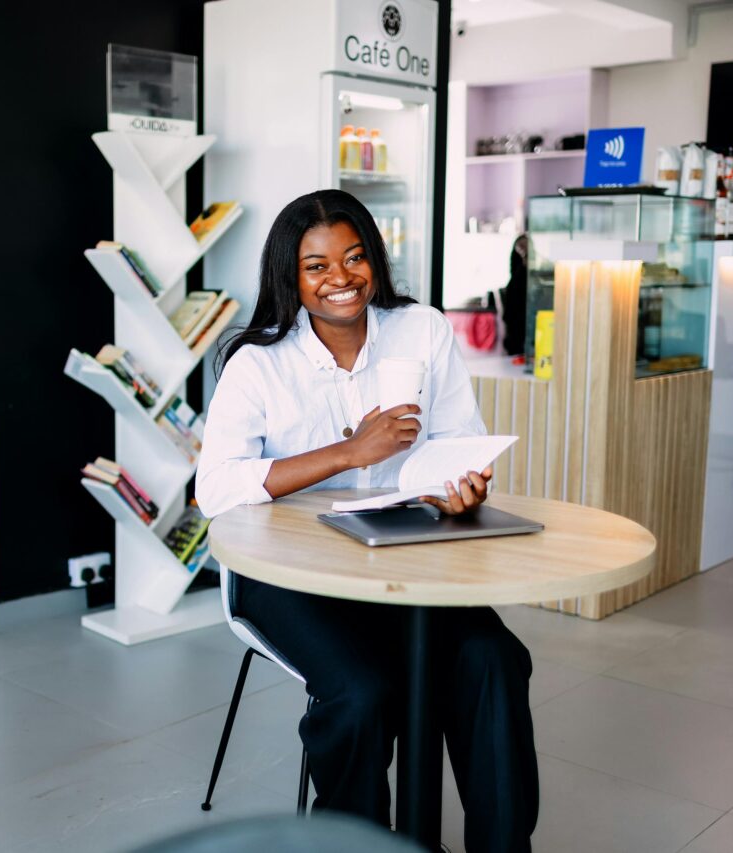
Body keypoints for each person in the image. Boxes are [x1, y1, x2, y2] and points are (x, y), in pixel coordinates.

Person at [195, 189, 538, 852]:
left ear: (375, 259)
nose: (341, 278)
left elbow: (456, 439)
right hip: (287, 573)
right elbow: (216, 489)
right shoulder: (259, 362)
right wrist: (350, 452)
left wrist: (458, 486)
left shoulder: (420, 330)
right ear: (291, 276)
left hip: (403, 556)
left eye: (354, 257)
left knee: (494, 659)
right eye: (317, 265)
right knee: (360, 692)